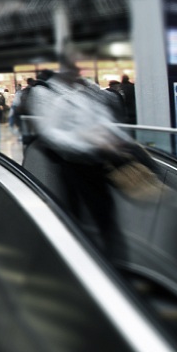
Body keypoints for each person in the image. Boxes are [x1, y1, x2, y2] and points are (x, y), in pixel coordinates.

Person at [27, 60, 136, 258]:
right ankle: (80, 261)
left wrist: (116, 138)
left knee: (105, 217)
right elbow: (50, 132)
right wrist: (87, 141)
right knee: (74, 215)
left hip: (97, 162)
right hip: (68, 165)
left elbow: (102, 117)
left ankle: (113, 263)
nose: (77, 72)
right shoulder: (45, 92)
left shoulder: (86, 88)